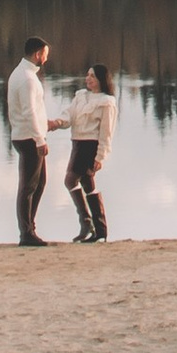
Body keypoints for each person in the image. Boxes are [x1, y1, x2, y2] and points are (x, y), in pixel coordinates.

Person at [6, 36, 55, 245]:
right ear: (37, 54)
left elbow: (31, 111)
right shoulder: (27, 79)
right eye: (45, 54)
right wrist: (39, 140)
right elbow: (28, 112)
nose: (46, 58)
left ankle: (29, 228)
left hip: (27, 134)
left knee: (39, 183)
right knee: (28, 186)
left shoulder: (22, 74)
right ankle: (26, 233)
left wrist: (45, 124)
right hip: (28, 138)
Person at [64, 61, 116, 241]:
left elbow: (107, 131)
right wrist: (55, 123)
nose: (88, 79)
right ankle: (100, 232)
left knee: (70, 180)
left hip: (90, 146)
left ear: (101, 79)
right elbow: (69, 114)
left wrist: (101, 156)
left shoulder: (106, 102)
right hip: (77, 143)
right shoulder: (81, 96)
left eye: (92, 76)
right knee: (87, 184)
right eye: (87, 75)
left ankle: (87, 222)